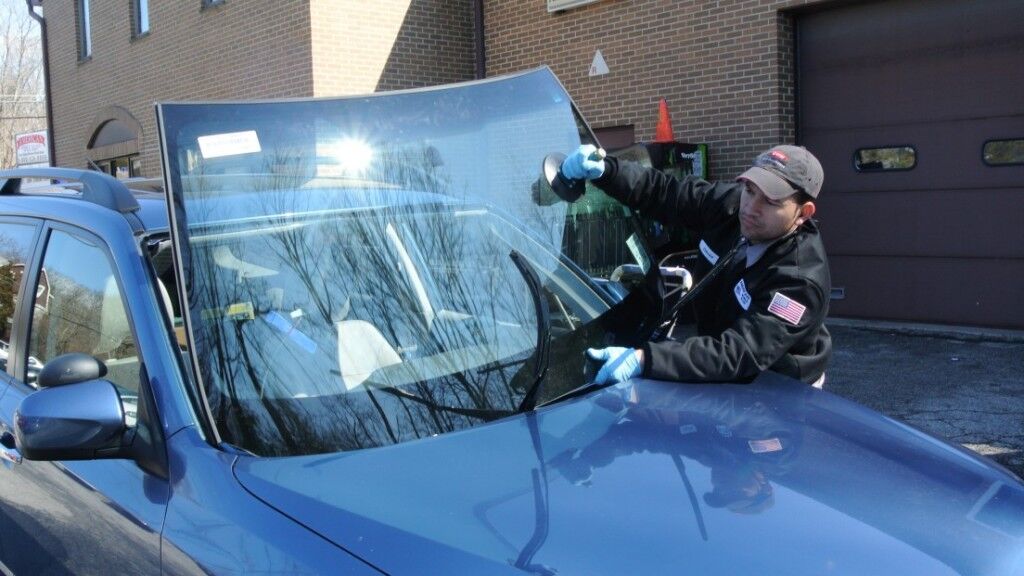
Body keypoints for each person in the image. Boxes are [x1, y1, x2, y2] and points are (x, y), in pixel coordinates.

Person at [565, 143, 831, 387]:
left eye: (771, 201)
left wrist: (644, 359)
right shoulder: (731, 205)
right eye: (750, 190)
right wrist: (607, 171)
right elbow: (665, 193)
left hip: (777, 388)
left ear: (803, 213)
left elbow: (738, 353)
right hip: (716, 366)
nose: (750, 207)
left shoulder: (799, 280)